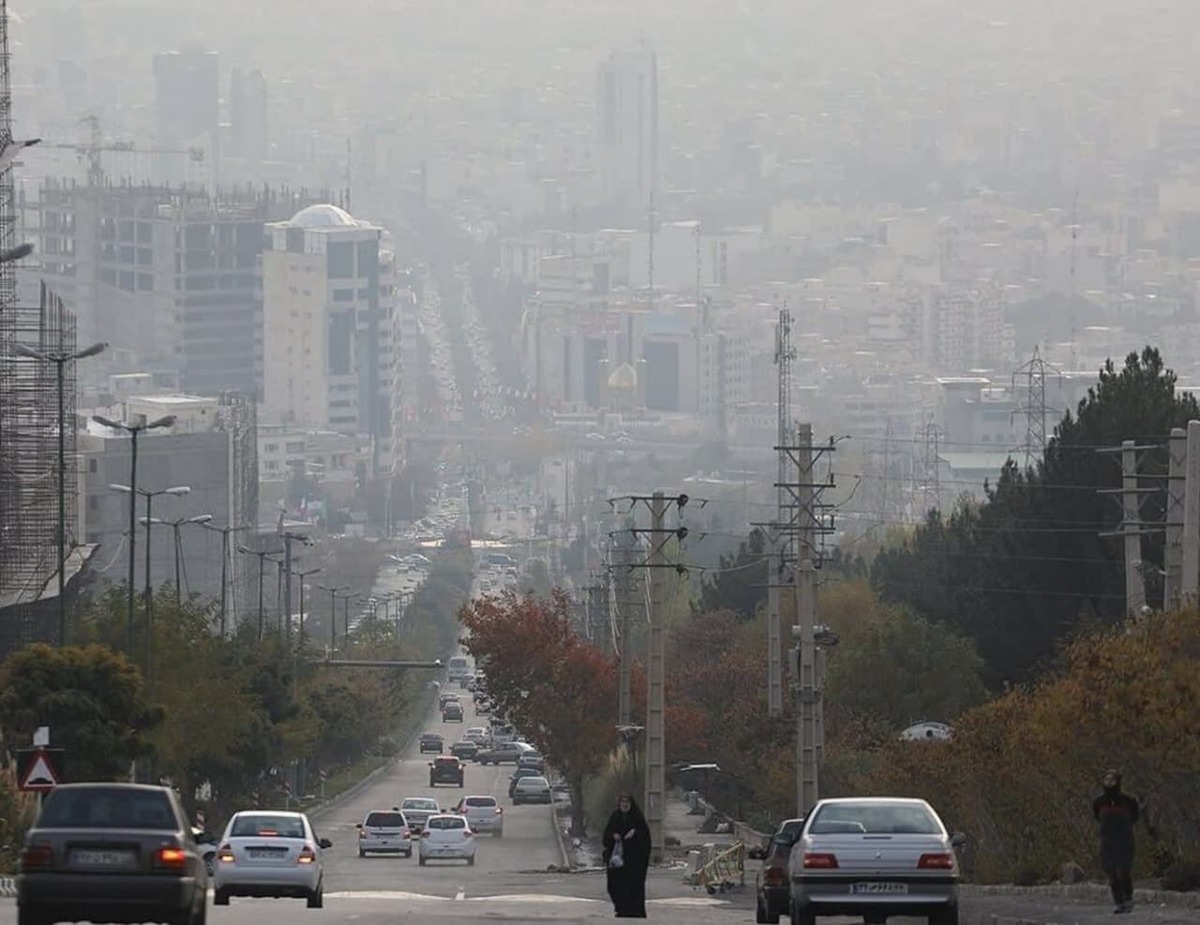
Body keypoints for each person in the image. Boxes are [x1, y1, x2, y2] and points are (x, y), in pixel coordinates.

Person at [1092, 769, 1140, 914]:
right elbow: (1097, 817)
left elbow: (1135, 817)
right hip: (1107, 841)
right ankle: (1119, 902)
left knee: (1123, 871)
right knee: (1111, 872)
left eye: (1112, 780)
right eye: (1106, 780)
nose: (1109, 783)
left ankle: (1128, 898)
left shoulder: (1128, 801)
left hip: (1124, 841)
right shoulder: (1099, 802)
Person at [602, 793, 651, 918]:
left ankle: (634, 911)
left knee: (633, 886)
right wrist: (613, 836)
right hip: (617, 861)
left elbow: (646, 839)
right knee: (614, 886)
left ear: (631, 804)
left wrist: (635, 833)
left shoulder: (637, 818)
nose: (624, 804)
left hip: (633, 862)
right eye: (622, 802)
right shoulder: (615, 817)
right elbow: (605, 837)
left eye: (627, 802)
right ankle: (620, 908)